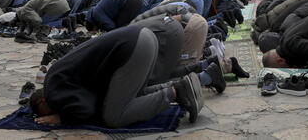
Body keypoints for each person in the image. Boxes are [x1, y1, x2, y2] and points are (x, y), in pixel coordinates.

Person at [28, 26, 204, 127]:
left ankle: (176, 91)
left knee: (113, 116)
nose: (48, 115)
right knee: (131, 96)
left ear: (43, 101)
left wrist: (62, 118)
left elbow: (85, 109)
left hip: (131, 49)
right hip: (143, 37)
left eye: (44, 113)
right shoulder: (58, 77)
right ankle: (181, 85)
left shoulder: (53, 91)